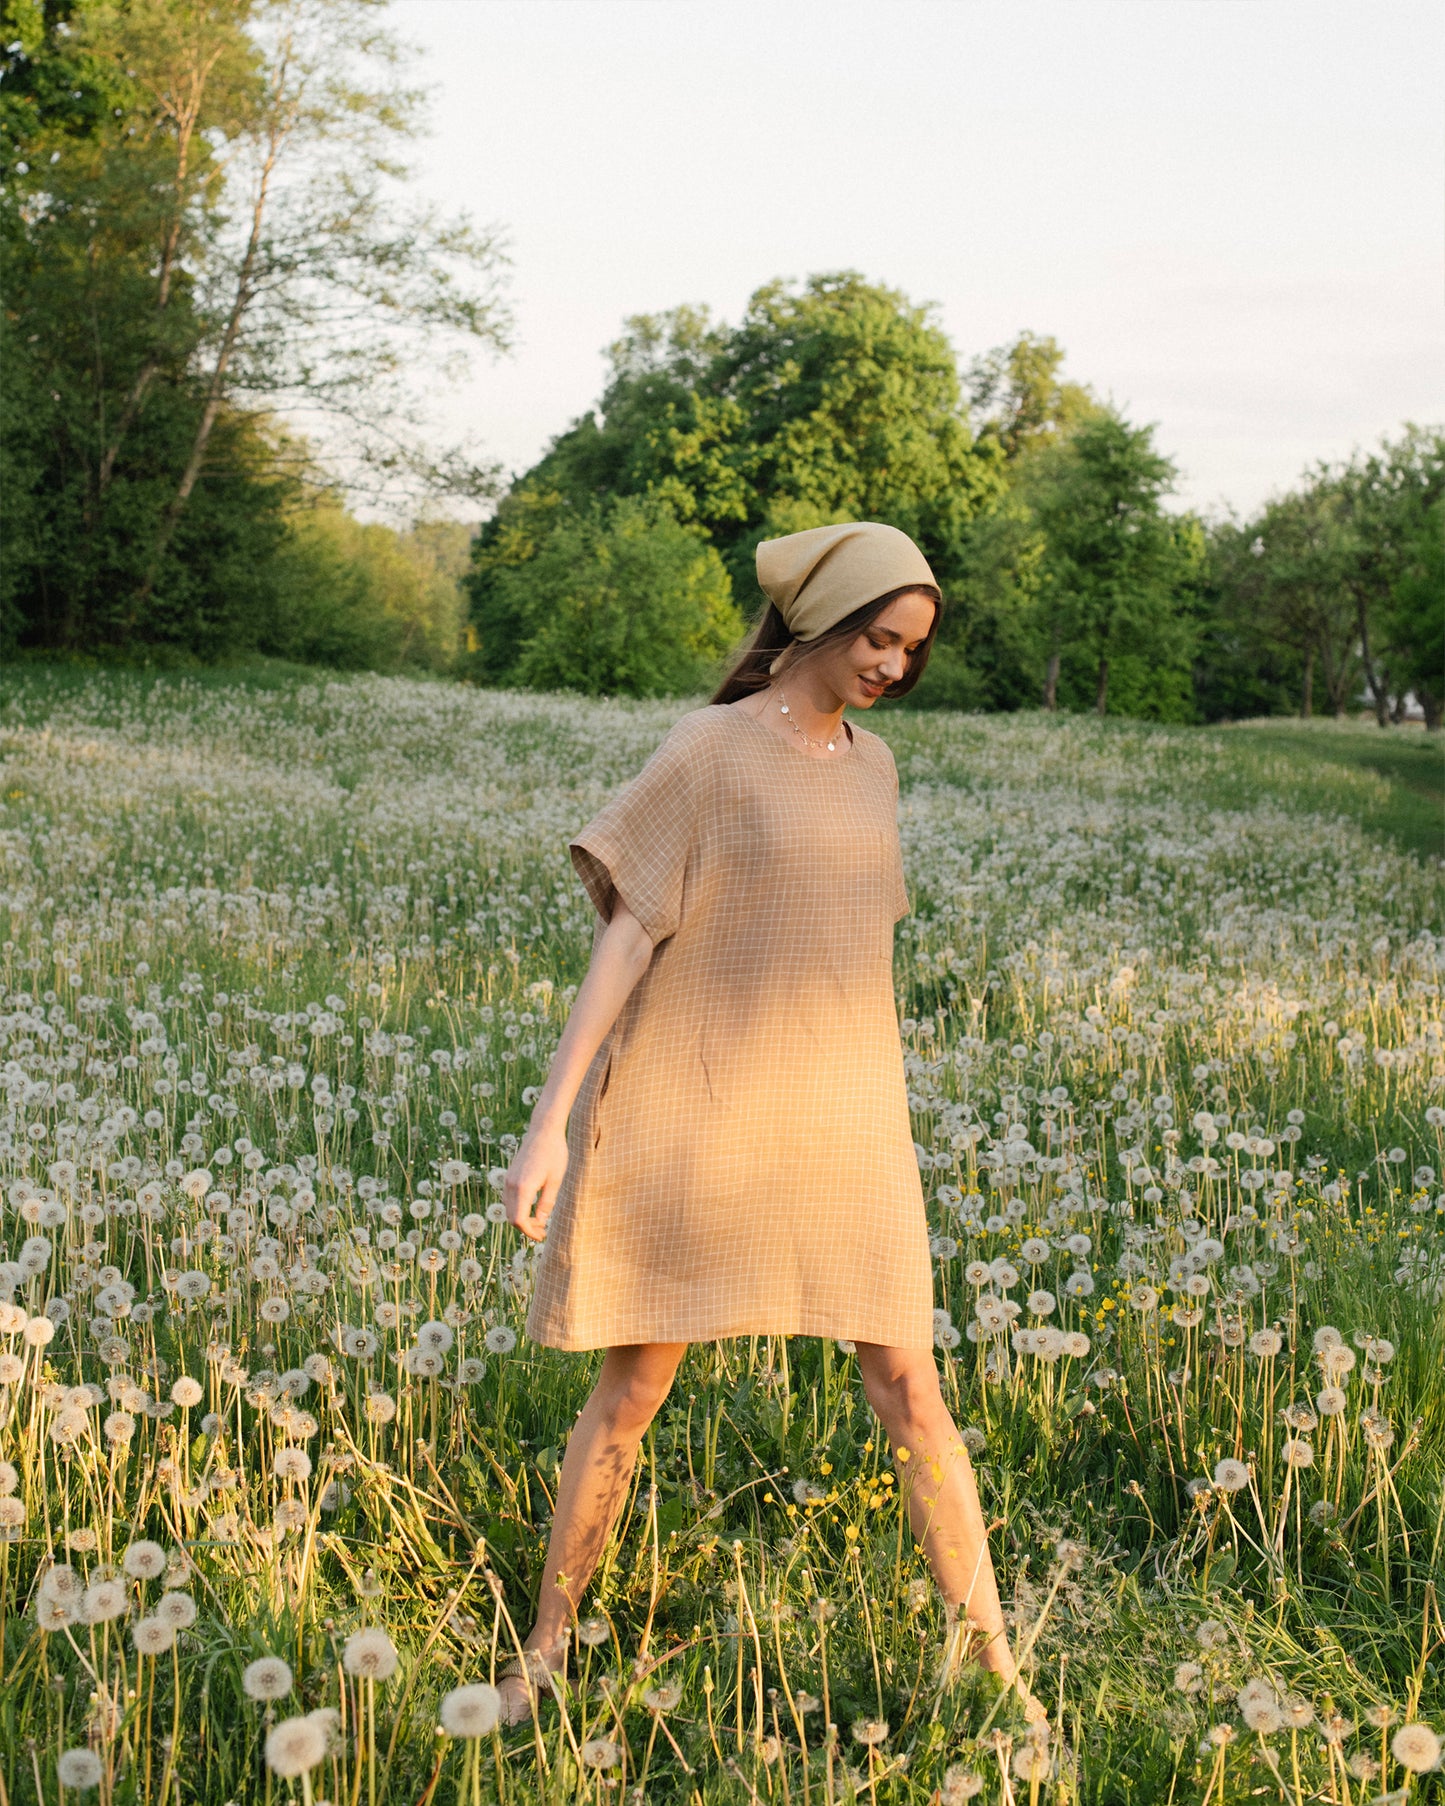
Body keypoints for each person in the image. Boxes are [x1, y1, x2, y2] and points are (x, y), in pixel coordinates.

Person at [497, 521, 1039, 1726]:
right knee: (634, 1387)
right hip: (699, 1112)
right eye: (876, 638)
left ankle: (997, 1670)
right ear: (821, 622)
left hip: (845, 1124)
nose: (891, 666)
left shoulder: (875, 768)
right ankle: (542, 1651)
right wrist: (551, 1126)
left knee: (910, 1387)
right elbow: (626, 935)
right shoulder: (706, 751)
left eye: (908, 651)